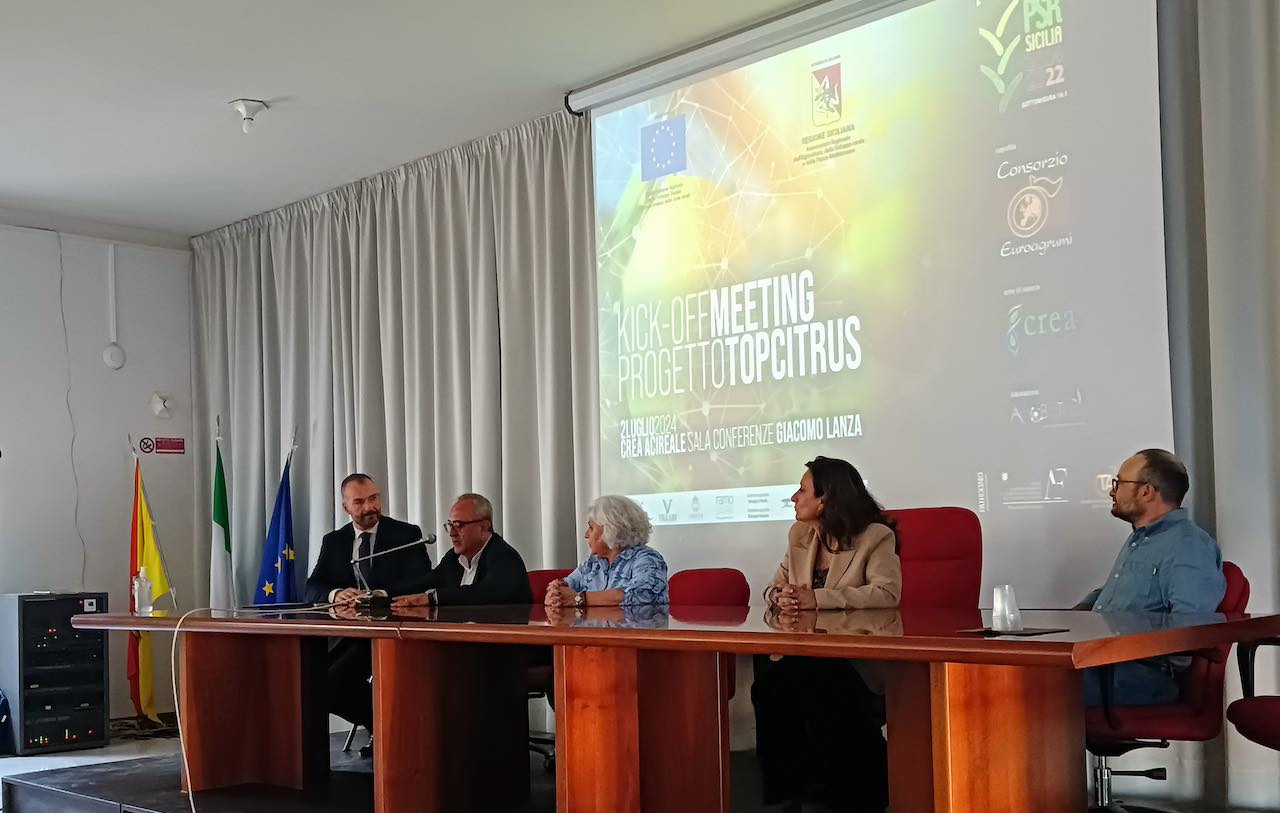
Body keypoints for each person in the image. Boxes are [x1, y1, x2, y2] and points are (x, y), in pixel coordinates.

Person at [752, 456, 900, 813]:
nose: (793, 497)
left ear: (825, 499)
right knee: (768, 684)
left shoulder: (875, 537)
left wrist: (816, 599)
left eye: (802, 490)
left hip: (857, 658)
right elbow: (773, 586)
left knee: (811, 684)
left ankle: (848, 794)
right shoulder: (800, 535)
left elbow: (886, 593)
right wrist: (781, 596)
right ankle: (786, 794)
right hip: (809, 654)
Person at [1076, 449, 1226, 707]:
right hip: (1104, 663)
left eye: (1119, 483)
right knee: (1024, 676)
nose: (1112, 492)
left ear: (1146, 491)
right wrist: (1076, 614)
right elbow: (1120, 594)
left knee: (1034, 688)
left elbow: (1190, 630)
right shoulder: (1140, 539)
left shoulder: (1187, 546)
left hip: (1141, 675)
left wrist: (1121, 651)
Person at [304, 473, 433, 739]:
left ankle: (389, 734)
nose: (369, 507)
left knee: (330, 683)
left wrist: (382, 594)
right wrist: (336, 594)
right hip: (348, 634)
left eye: (373, 498)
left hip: (391, 633)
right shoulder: (334, 541)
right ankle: (386, 729)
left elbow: (423, 579)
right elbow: (313, 585)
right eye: (359, 502)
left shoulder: (406, 534)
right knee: (309, 682)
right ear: (346, 508)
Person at [391, 493, 532, 608]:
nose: (452, 533)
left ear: (483, 527)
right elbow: (425, 583)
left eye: (458, 525)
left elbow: (487, 592)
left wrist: (433, 597)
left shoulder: (504, 556)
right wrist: (384, 594)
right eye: (450, 525)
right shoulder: (453, 558)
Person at [544, 495, 668, 608]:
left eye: (591, 528)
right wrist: (556, 593)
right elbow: (566, 589)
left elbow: (642, 595)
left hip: (636, 626)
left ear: (612, 529)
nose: (586, 535)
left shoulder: (648, 559)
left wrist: (579, 598)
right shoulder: (593, 563)